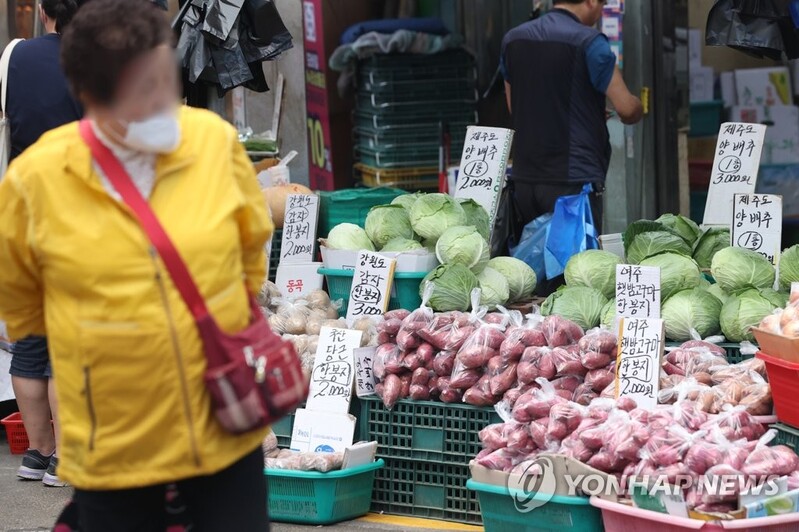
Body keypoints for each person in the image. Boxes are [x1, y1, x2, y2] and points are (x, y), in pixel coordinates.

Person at [0, 0, 273, 530]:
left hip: (212, 420)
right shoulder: (37, 178)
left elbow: (250, 251)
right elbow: (23, 303)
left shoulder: (212, 143)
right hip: (123, 440)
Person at [4, 0, 81, 488]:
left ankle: (36, 453)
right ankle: (65, 460)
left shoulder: (14, 55)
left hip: (23, 212)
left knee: (31, 342)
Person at [499, 0, 643, 242]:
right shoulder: (589, 42)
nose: (600, 12)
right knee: (574, 272)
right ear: (590, 2)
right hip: (573, 182)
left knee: (530, 271)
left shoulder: (513, 39)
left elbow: (517, 107)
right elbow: (626, 108)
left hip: (525, 177)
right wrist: (640, 106)